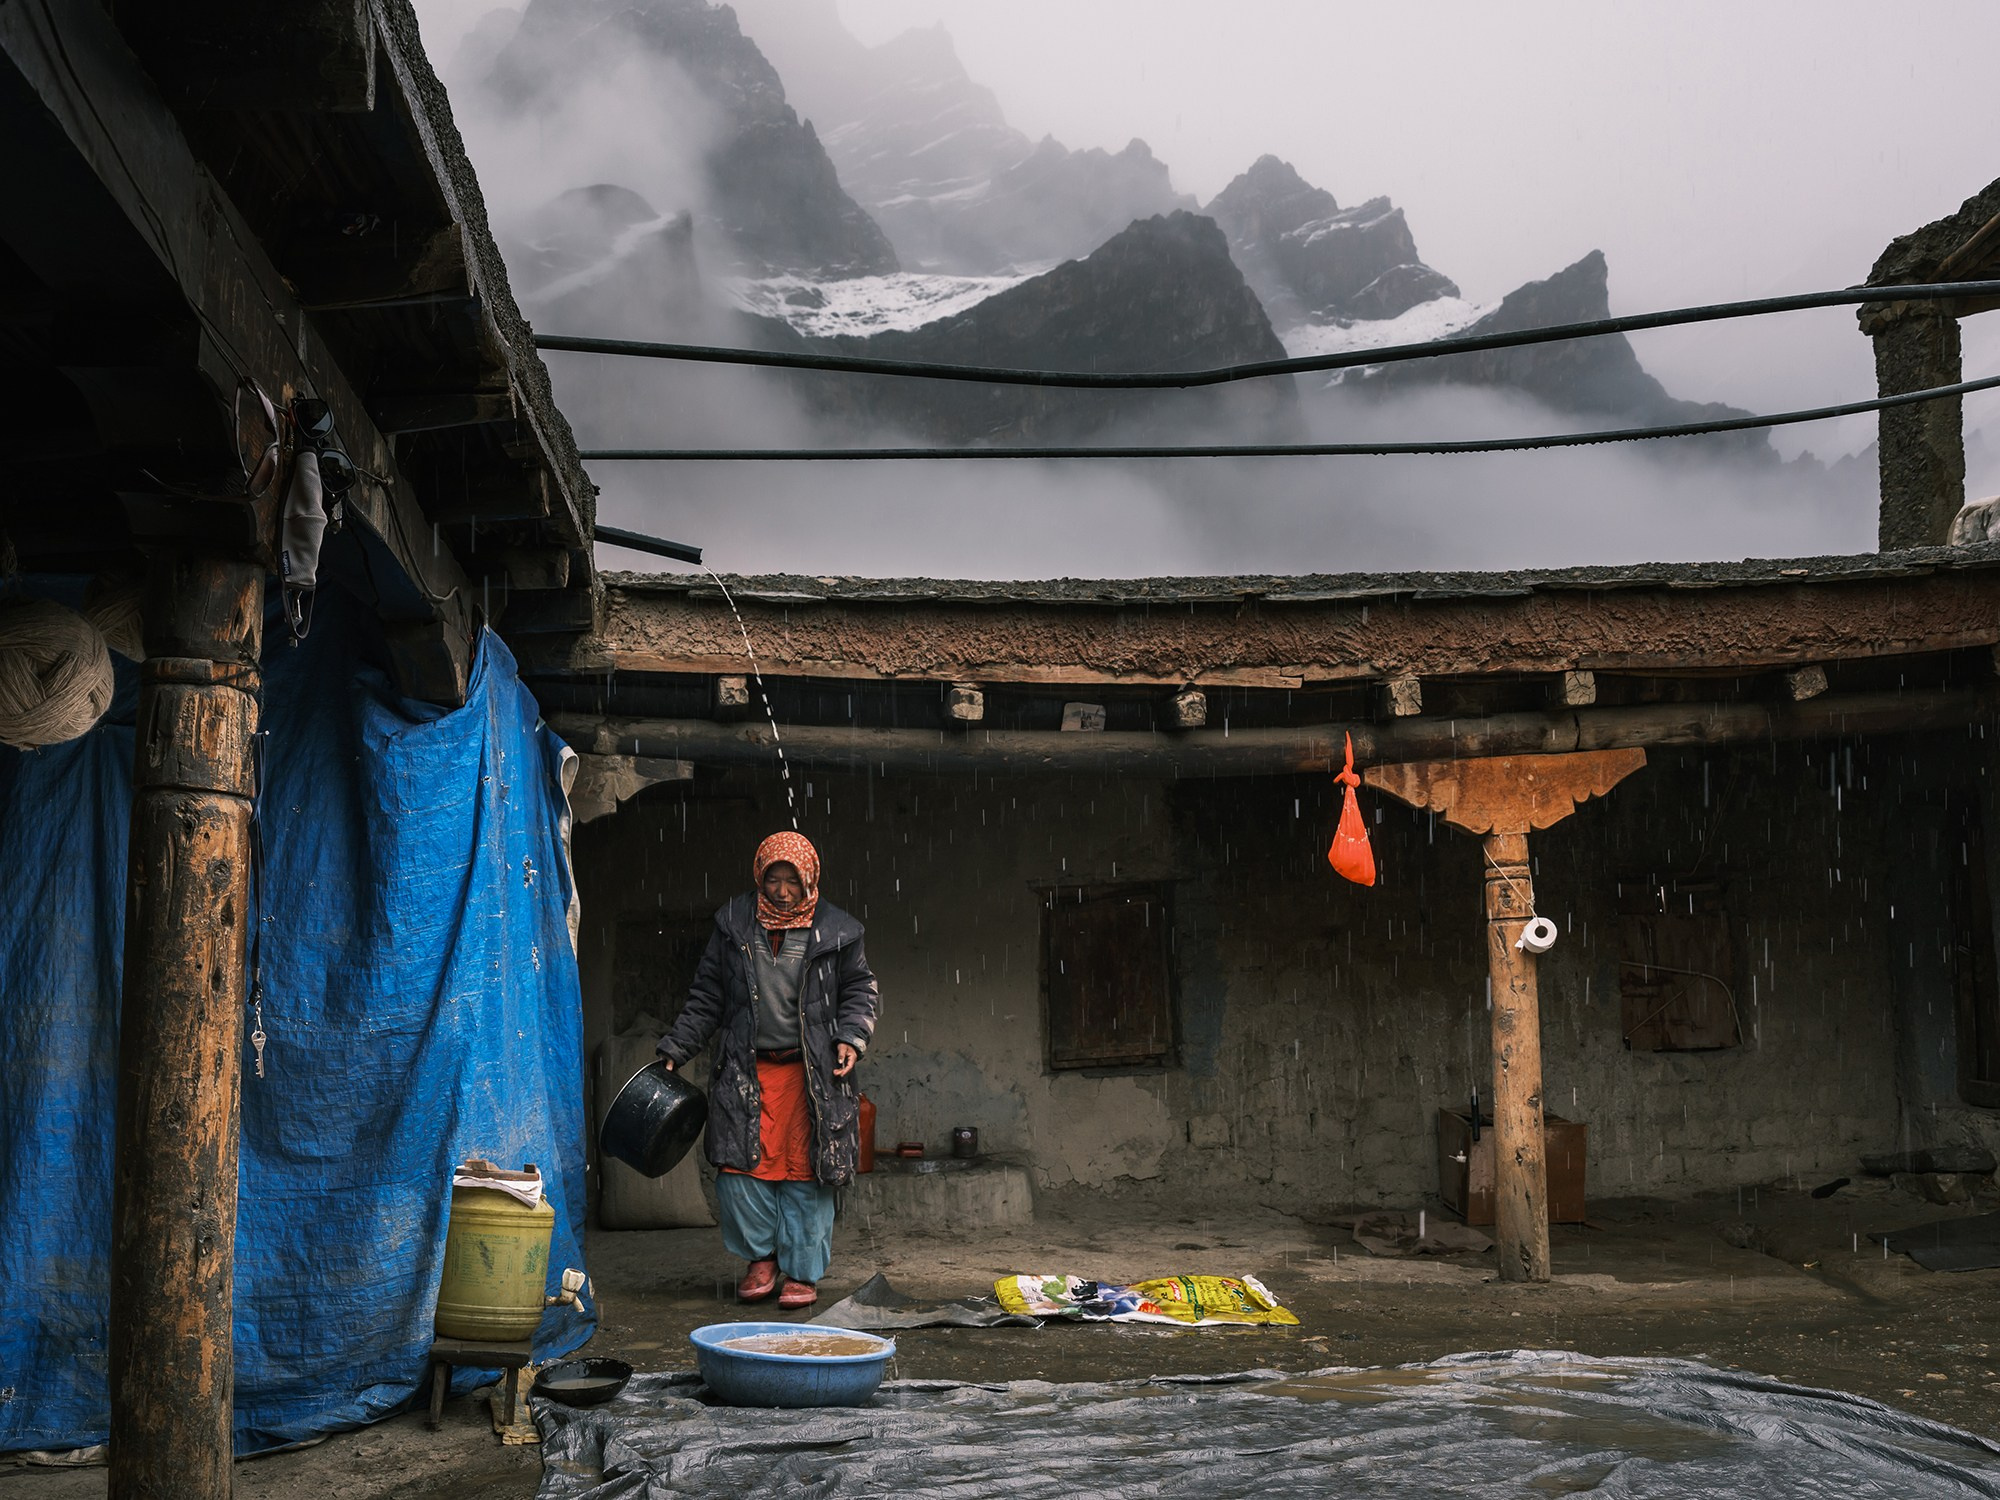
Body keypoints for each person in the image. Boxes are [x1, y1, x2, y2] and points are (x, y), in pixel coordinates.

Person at [658, 832, 879, 1308]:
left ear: (809, 879)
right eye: (773, 879)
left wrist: (850, 1037)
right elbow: (707, 996)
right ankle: (761, 1259)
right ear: (759, 876)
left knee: (806, 1173)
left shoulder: (838, 931)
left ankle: (801, 1271)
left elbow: (860, 991)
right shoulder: (734, 924)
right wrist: (677, 1048)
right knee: (739, 1170)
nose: (781, 891)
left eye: (792, 881)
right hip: (747, 1070)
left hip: (812, 1077)